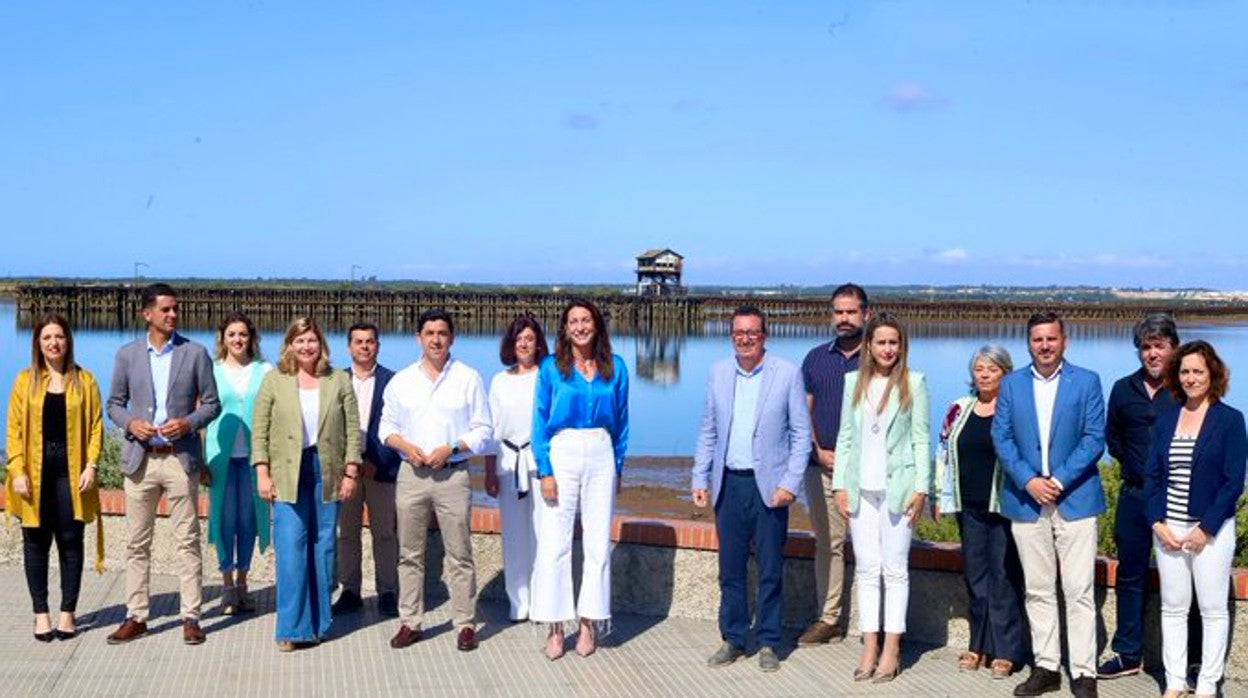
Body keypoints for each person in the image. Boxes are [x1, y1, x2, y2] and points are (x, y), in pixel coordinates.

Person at [992, 311, 1105, 698]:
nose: (1045, 346)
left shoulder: (1087, 381)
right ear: (1029, 343)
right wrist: (1029, 480)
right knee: (1038, 589)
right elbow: (1002, 438)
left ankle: (1084, 671)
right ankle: (1046, 667)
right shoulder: (1011, 385)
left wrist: (1056, 481)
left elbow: (1094, 439)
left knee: (1079, 590)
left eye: (1051, 339)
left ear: (1064, 340)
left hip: (1075, 498)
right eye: (1038, 339)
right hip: (1026, 500)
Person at [692, 306, 810, 673]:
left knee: (771, 567)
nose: (745, 339)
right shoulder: (718, 372)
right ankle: (734, 638)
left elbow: (801, 435)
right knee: (730, 569)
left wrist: (790, 484)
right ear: (731, 336)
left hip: (770, 488)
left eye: (752, 333)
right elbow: (709, 429)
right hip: (729, 484)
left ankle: (770, 641)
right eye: (739, 333)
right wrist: (700, 477)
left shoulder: (787, 373)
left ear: (764, 336)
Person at [105, 283, 220, 645]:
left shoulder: (196, 353)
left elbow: (212, 405)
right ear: (147, 313)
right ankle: (136, 615)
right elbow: (114, 404)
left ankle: (191, 616)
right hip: (140, 462)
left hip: (179, 460)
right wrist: (129, 423)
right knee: (137, 543)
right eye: (166, 309)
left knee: (188, 540)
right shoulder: (127, 355)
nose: (173, 314)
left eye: (175, 309)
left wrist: (187, 423)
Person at [380, 309, 491, 652]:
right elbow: (386, 428)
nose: (436, 339)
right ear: (419, 338)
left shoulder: (468, 377)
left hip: (452, 475)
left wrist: (453, 447)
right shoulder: (402, 380)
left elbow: (485, 432)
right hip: (411, 475)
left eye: (442, 333)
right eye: (429, 333)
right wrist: (406, 447)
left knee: (460, 553)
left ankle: (465, 624)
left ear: (452, 338)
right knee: (409, 553)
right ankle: (410, 622)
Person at [831, 312, 930, 684]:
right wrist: (841, 484)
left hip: (898, 490)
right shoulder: (852, 382)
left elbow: (921, 438)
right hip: (861, 491)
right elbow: (845, 437)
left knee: (895, 569)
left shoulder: (914, 383)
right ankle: (869, 644)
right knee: (868, 570)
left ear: (901, 346)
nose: (887, 349)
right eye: (881, 342)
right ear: (869, 345)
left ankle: (892, 647)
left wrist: (922, 488)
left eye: (894, 342)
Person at [252, 316, 361, 651]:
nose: (306, 347)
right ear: (290, 344)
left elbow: (353, 429)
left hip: (325, 470)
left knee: (324, 547)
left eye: (311, 340)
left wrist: (350, 471)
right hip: (287, 471)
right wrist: (262, 472)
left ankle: (319, 623)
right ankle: (292, 628)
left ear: (321, 344)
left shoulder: (339, 379)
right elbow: (260, 429)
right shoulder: (275, 380)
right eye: (299, 341)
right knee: (291, 547)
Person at [531, 299, 629, 660]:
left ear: (596, 325)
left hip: (602, 452)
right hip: (563, 450)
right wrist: (545, 469)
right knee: (555, 541)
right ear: (565, 328)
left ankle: (589, 624)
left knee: (597, 542)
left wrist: (618, 464)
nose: (580, 327)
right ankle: (555, 628)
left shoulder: (615, 368)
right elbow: (539, 420)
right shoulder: (551, 369)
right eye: (573, 321)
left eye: (586, 320)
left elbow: (622, 420)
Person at [1146, 341, 1245, 698]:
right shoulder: (1167, 416)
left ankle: (1206, 685)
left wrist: (1205, 529)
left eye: (1198, 371)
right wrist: (1157, 522)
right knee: (1172, 608)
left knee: (1212, 609)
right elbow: (1153, 475)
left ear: (1213, 374)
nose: (1191, 378)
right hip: (1168, 529)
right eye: (1185, 371)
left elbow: (1234, 481)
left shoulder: (1230, 420)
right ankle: (1174, 682)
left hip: (1210, 532)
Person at [5, 314, 104, 642]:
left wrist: (91, 465)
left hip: (71, 470)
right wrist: (17, 470)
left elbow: (96, 426)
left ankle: (68, 614)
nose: (53, 343)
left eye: (58, 336)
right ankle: (41, 615)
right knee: (35, 542)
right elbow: (14, 430)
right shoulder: (25, 381)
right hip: (35, 470)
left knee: (71, 541)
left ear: (68, 340)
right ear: (38, 343)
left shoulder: (85, 380)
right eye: (46, 337)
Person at [935, 345, 1029, 679]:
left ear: (1006, 372)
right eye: (979, 368)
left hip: (1003, 506)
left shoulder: (1015, 409)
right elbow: (943, 450)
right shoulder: (959, 408)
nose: (985, 374)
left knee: (1004, 576)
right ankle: (978, 644)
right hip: (968, 504)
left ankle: (1006, 650)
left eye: (992, 368)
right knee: (975, 576)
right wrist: (938, 495)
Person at [1098, 314, 1181, 679]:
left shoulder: (1187, 387)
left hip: (1177, 499)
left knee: (1181, 579)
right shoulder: (1122, 389)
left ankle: (1187, 663)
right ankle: (1129, 654)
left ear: (1173, 347)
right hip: (1134, 497)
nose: (1151, 353)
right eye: (1145, 347)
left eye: (1158, 346)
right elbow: (1112, 438)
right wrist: (1136, 467)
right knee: (1130, 575)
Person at [798, 282, 870, 646]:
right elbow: (802, 413)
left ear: (865, 315)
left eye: (851, 312)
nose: (844, 319)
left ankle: (876, 624)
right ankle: (828, 619)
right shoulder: (815, 359)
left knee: (875, 545)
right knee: (828, 543)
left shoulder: (879, 355)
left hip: (869, 469)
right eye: (838, 312)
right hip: (822, 465)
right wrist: (816, 452)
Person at [333, 322, 403, 618]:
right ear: (349, 347)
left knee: (385, 532)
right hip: (345, 471)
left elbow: (398, 426)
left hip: (380, 469)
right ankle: (350, 590)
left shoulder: (393, 381)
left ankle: (388, 592)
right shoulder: (335, 380)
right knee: (346, 533)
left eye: (370, 341)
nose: (364, 346)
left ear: (378, 346)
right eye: (358, 341)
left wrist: (380, 461)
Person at [483, 313, 550, 622]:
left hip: (540, 464)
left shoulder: (547, 375)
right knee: (513, 535)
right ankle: (517, 600)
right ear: (511, 343)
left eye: (530, 339)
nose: (524, 344)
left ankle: (541, 600)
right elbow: (491, 431)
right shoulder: (499, 380)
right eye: (519, 338)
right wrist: (488, 470)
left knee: (541, 532)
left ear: (538, 344)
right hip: (508, 464)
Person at [205, 311, 272, 616]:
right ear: (223, 338)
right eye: (231, 334)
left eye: (243, 334)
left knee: (249, 521)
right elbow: (201, 414)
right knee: (222, 521)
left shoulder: (266, 370)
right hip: (220, 457)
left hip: (254, 458)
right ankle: (227, 584)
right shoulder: (212, 370)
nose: (237, 340)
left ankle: (243, 583)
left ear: (251, 338)